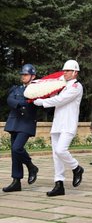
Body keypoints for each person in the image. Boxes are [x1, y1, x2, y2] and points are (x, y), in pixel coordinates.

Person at [34, 60, 84, 196]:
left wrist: (42, 102)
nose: (65, 73)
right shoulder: (62, 86)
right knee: (56, 155)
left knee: (61, 150)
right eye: (64, 71)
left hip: (68, 123)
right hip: (57, 124)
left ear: (75, 72)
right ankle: (59, 184)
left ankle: (76, 167)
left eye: (68, 71)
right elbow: (55, 97)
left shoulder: (76, 86)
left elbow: (60, 100)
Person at [2, 64, 39, 192]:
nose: (23, 76)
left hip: (26, 123)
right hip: (14, 123)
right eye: (22, 74)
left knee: (17, 148)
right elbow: (9, 100)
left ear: (33, 76)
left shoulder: (37, 90)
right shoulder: (16, 89)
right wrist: (21, 103)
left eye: (26, 74)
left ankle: (31, 166)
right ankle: (16, 181)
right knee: (14, 152)